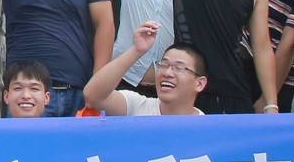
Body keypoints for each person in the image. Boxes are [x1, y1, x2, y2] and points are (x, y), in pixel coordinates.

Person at [81, 24, 213, 114]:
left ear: (199, 83)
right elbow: (93, 95)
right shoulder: (138, 107)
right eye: (163, 65)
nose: (167, 73)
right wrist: (136, 50)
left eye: (179, 68)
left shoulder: (207, 128)